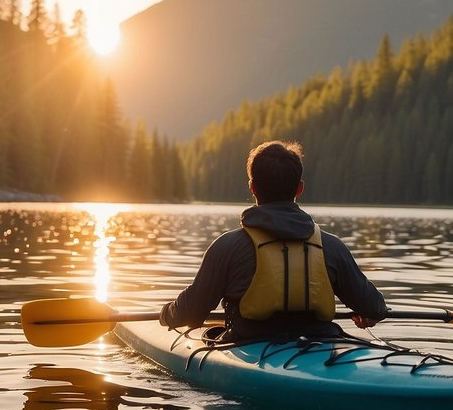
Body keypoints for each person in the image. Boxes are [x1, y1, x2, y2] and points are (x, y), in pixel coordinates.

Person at [160, 140, 388, 340]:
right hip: (321, 343)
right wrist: (368, 314)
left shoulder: (227, 247)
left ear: (253, 188)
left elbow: (192, 313)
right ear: (299, 189)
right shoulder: (331, 246)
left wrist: (166, 314)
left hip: (247, 346)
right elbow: (376, 307)